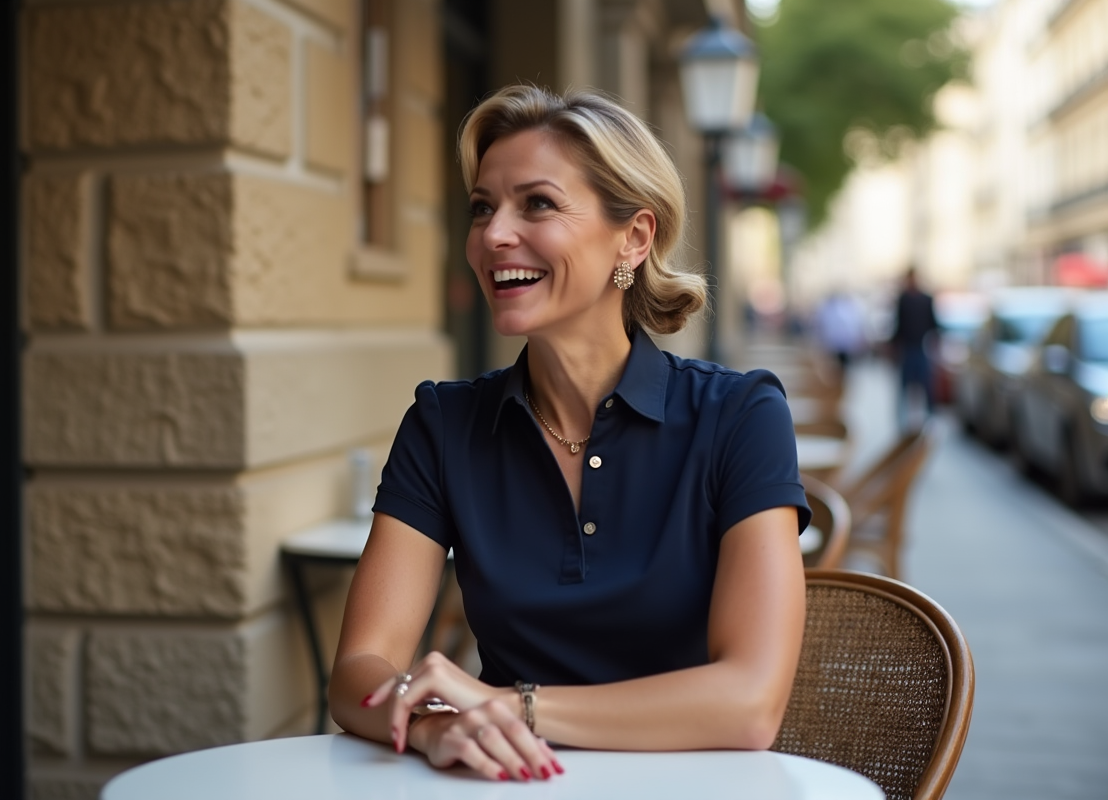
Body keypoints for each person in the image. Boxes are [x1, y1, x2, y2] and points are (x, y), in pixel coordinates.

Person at [328, 85, 810, 783]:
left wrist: (505, 706)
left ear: (634, 237)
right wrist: (435, 727)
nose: (494, 235)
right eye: (482, 207)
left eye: (538, 204)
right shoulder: (444, 424)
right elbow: (356, 673)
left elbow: (749, 703)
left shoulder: (739, 415)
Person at [890, 268, 938, 428]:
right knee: (904, 386)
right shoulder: (903, 299)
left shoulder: (926, 299)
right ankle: (902, 418)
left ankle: (930, 415)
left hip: (921, 347)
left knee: (926, 384)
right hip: (907, 349)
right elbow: (898, 326)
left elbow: (934, 324)